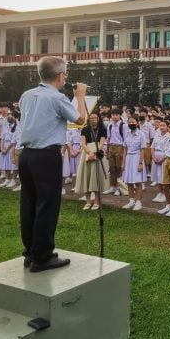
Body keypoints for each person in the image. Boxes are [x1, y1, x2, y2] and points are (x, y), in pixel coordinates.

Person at [17, 56, 87, 272]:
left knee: (29, 203)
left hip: (27, 154)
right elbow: (80, 120)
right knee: (47, 205)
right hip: (46, 155)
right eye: (65, 73)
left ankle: (31, 252)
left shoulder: (27, 95)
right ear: (60, 75)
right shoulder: (57, 97)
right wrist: (81, 96)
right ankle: (43, 256)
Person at [76, 112, 108, 211]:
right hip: (87, 153)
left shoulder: (102, 129)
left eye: (96, 117)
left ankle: (97, 201)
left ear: (98, 119)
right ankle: (88, 201)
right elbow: (83, 143)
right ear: (89, 119)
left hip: (97, 153)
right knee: (87, 177)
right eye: (92, 117)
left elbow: (102, 143)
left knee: (96, 178)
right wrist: (89, 152)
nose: (94, 119)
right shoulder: (85, 129)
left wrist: (95, 153)